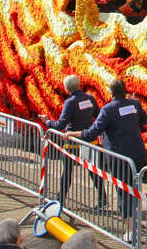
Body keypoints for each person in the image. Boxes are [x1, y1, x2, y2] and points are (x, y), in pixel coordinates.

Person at [69, 79, 147, 233]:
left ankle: (130, 231)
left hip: (119, 157)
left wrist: (73, 133)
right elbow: (145, 120)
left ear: (111, 92)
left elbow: (91, 132)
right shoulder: (135, 104)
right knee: (133, 188)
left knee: (122, 191)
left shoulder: (108, 109)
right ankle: (133, 222)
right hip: (137, 154)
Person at [43, 75, 107, 212]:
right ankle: (103, 198)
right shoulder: (90, 98)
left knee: (67, 172)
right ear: (79, 84)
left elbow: (60, 124)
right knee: (93, 170)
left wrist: (47, 121)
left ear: (66, 88)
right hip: (89, 141)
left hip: (73, 143)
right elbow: (99, 116)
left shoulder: (70, 102)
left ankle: (60, 200)